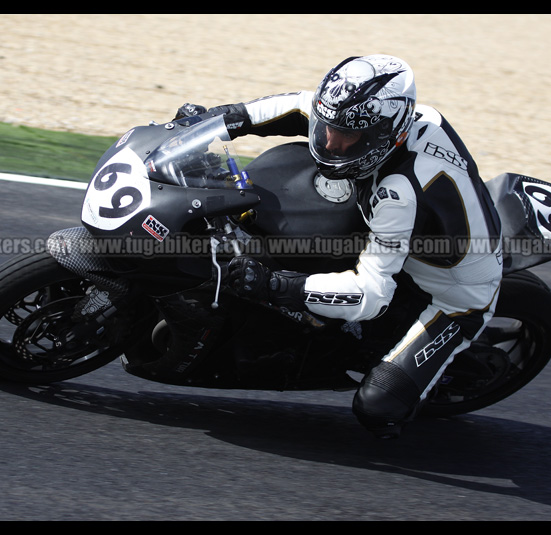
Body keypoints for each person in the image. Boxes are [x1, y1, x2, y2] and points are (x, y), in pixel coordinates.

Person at [177, 54, 503, 438]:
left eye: (348, 136)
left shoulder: (398, 193)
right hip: (410, 233)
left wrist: (278, 286)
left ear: (387, 135)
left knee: (377, 407)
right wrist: (222, 119)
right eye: (328, 126)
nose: (331, 141)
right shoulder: (398, 119)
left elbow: (373, 293)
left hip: (455, 297)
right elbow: (299, 105)